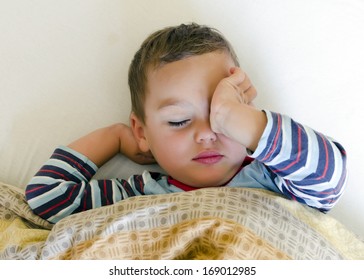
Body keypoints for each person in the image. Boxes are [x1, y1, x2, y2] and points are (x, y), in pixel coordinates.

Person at [25, 23, 347, 224]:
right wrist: (116, 137)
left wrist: (245, 123)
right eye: (179, 121)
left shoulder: (274, 178)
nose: (208, 133)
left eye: (222, 114)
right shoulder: (138, 195)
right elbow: (47, 196)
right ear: (143, 132)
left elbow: (329, 179)